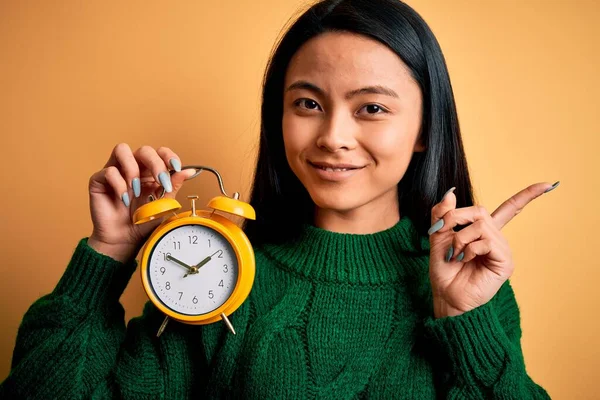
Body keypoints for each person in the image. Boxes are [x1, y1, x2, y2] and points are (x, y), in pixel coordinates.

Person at [1, 0, 556, 398]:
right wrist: (107, 256)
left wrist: (464, 321)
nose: (333, 136)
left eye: (372, 108)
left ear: (425, 130)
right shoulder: (213, 275)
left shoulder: (467, 290)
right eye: (308, 104)